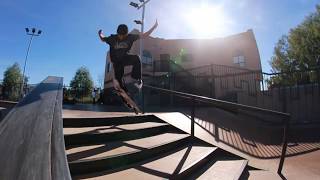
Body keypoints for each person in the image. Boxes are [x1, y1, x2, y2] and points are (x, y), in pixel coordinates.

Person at [98, 20, 158, 92]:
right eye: (120, 36)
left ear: (127, 34)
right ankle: (123, 90)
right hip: (116, 62)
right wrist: (100, 34)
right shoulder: (112, 38)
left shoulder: (130, 37)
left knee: (137, 58)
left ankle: (136, 79)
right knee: (120, 81)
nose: (122, 37)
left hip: (124, 58)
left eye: (124, 36)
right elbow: (103, 39)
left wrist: (154, 27)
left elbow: (144, 35)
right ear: (117, 33)